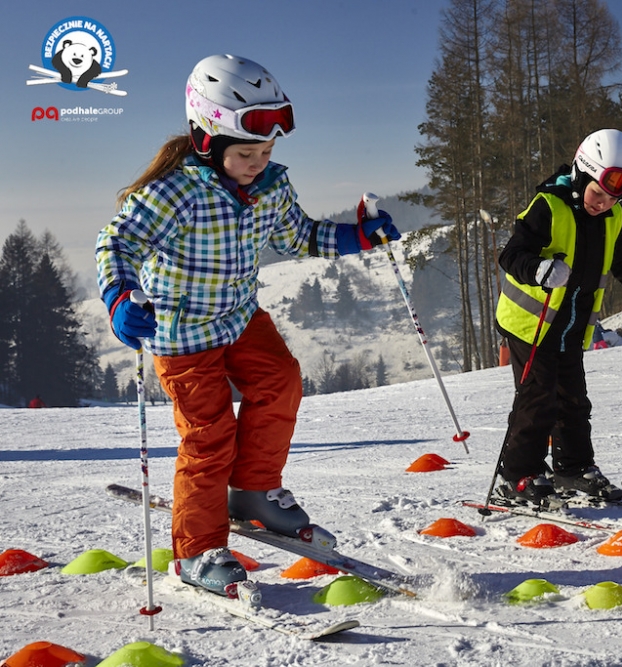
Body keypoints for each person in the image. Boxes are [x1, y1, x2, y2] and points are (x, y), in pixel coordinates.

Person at [95, 54, 400, 597]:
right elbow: (117, 242)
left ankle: (254, 492)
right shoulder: (173, 192)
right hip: (182, 333)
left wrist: (359, 236)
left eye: (266, 150)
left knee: (280, 382)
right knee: (209, 437)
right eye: (247, 152)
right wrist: (119, 295)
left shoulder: (270, 187)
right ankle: (196, 550)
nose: (259, 161)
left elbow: (300, 236)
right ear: (207, 139)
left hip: (238, 319)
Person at [494, 129, 622, 506]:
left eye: (614, 198)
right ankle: (517, 476)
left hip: (570, 327)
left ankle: (573, 469)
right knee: (537, 399)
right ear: (582, 174)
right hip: (529, 325)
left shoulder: (612, 218)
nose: (604, 203)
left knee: (573, 400)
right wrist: (538, 269)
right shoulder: (547, 206)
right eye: (598, 193)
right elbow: (511, 255)